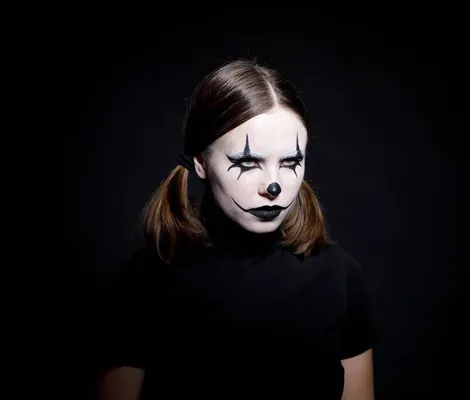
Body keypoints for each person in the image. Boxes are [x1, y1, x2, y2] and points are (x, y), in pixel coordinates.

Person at [97, 59, 379, 399]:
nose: (273, 186)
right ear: (201, 161)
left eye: (290, 162)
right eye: (247, 162)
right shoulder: (143, 283)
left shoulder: (339, 276)